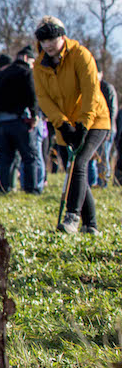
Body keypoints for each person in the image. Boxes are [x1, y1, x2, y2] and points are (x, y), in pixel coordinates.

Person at [33, 16, 109, 234]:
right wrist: (64, 125)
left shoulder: (81, 55)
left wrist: (83, 124)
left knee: (80, 163)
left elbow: (91, 91)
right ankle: (91, 225)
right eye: (43, 40)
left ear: (62, 36)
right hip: (65, 125)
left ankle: (72, 216)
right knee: (76, 170)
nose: (47, 44)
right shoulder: (39, 65)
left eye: (52, 39)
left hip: (94, 120)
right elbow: (44, 99)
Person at [0, 46, 40, 195]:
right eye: (32, 61)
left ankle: (2, 189)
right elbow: (32, 95)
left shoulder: (0, 75)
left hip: (1, 124)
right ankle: (31, 190)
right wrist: (34, 116)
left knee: (3, 159)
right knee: (29, 157)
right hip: (19, 122)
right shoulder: (25, 72)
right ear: (26, 58)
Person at [88, 79, 116, 187]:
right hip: (94, 127)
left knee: (103, 156)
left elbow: (112, 110)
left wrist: (108, 130)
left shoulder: (107, 88)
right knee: (93, 156)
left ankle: (103, 182)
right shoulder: (91, 85)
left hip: (107, 128)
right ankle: (93, 182)